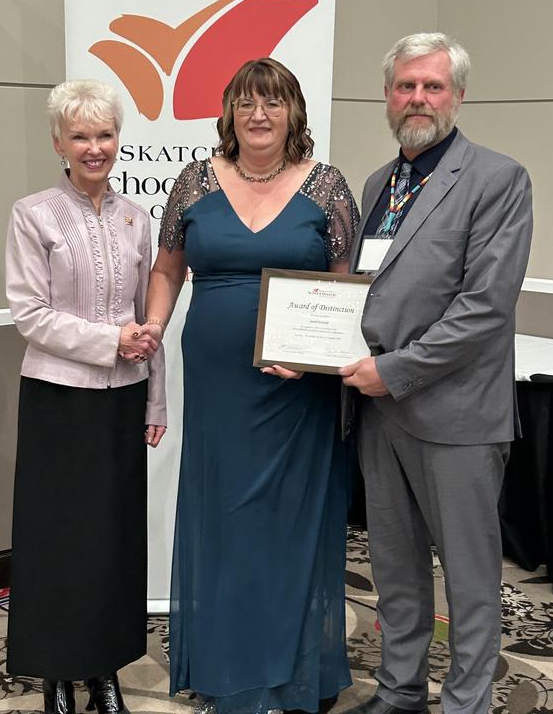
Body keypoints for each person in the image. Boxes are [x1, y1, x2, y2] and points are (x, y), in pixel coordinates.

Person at [143, 57, 359, 714]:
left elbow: (348, 289)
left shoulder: (327, 186)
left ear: (294, 113)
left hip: (299, 391)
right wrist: (152, 328)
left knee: (290, 522)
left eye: (272, 102)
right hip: (217, 384)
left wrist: (317, 358)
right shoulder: (194, 181)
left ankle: (294, 673)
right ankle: (227, 667)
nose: (258, 115)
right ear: (229, 114)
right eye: (245, 102)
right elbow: (167, 270)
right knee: (226, 519)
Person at [340, 33, 533, 714]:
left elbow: (484, 306)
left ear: (458, 95)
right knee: (394, 568)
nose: (417, 98)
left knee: (469, 575)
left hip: (455, 413)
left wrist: (394, 370)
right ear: (387, 96)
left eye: (432, 86)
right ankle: (400, 690)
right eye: (406, 86)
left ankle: (466, 701)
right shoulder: (378, 184)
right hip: (378, 411)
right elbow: (366, 292)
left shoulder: (498, 178)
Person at [5, 80, 167, 714]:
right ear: (59, 143)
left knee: (113, 542)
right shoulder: (33, 214)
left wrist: (156, 402)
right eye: (80, 136)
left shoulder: (137, 219)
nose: (94, 147)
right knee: (58, 540)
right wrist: (109, 340)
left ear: (118, 139)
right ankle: (57, 675)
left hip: (122, 401)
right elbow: (30, 314)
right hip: (58, 401)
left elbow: (149, 324)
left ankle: (104, 670)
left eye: (105, 134)